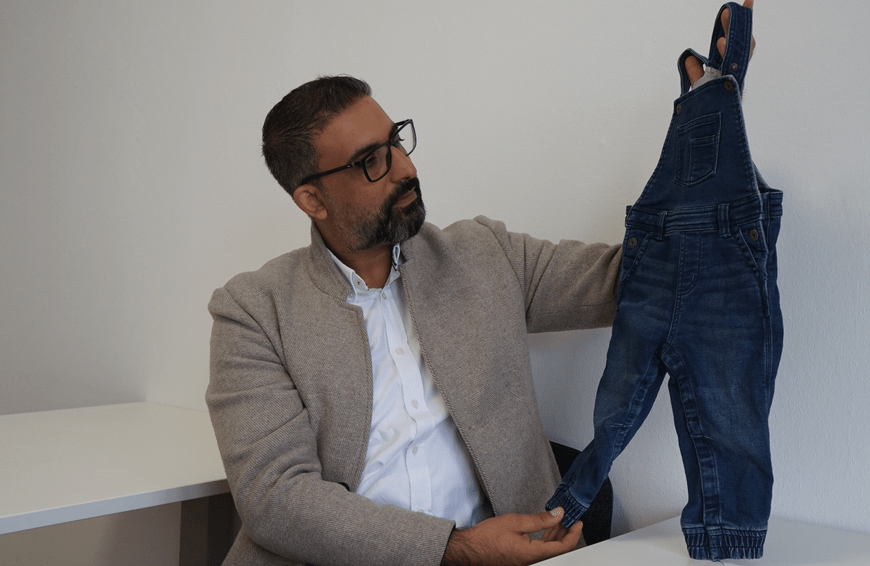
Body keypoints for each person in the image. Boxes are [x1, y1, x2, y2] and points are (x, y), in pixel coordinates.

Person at [206, 4, 755, 565]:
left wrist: (709, 118)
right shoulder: (253, 313)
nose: (404, 169)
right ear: (311, 199)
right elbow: (275, 498)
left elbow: (652, 282)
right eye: (371, 161)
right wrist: (458, 549)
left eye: (396, 142)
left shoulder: (483, 255)